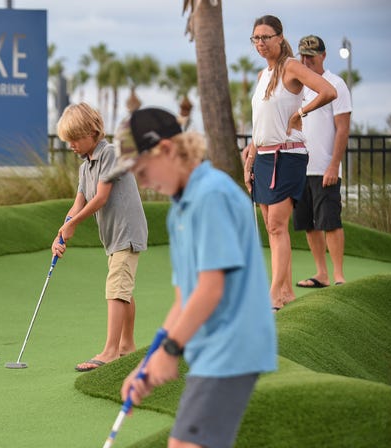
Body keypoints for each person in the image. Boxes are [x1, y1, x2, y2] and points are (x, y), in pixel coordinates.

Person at [105, 107, 277, 448]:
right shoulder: (180, 207)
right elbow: (185, 298)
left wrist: (171, 350)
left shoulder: (211, 195)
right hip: (212, 349)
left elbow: (211, 289)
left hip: (232, 344)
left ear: (167, 150)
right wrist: (148, 363)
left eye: (142, 169)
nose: (142, 181)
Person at [243, 15, 337, 311]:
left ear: (280, 38)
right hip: (264, 157)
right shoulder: (262, 77)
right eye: (255, 38)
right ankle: (285, 292)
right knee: (273, 230)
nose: (260, 43)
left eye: (266, 37)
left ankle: (273, 297)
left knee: (276, 226)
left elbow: (328, 91)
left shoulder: (291, 67)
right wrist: (250, 158)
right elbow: (261, 124)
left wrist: (302, 113)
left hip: (289, 156)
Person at [52, 102, 148, 372]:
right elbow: (78, 204)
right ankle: (127, 346)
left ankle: (110, 351)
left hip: (126, 231)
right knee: (123, 290)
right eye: (67, 140)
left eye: (75, 138)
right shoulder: (85, 167)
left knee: (116, 288)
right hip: (113, 235)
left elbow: (101, 198)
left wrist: (74, 225)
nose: (71, 145)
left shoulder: (110, 154)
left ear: (92, 132)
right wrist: (62, 231)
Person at [293, 35, 352, 288]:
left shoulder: (335, 84)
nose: (306, 61)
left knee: (330, 221)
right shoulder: (297, 87)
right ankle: (321, 274)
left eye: (311, 56)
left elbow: (342, 129)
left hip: (325, 167)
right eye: (303, 56)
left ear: (323, 56)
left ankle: (338, 276)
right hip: (298, 167)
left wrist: (333, 165)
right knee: (308, 224)